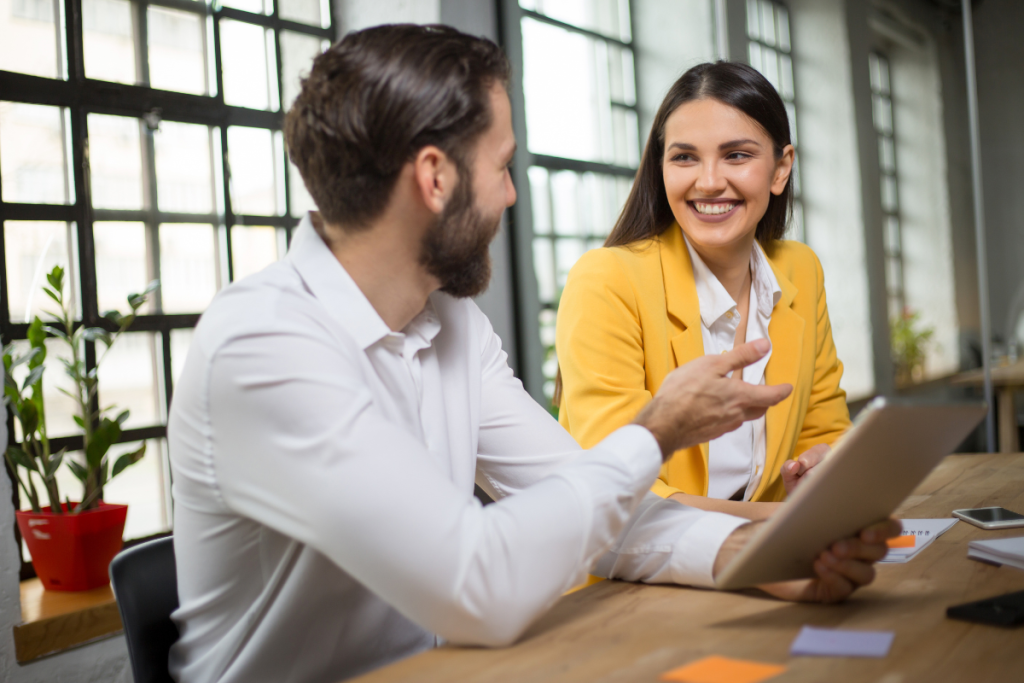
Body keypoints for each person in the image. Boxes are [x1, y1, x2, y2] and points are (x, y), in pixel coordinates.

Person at [167, 27, 897, 683]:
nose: (513, 195)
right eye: (503, 166)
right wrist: (657, 431)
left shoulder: (452, 323)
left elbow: (592, 503)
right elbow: (477, 581)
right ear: (435, 177)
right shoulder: (262, 345)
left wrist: (759, 560)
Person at [557, 62, 850, 521]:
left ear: (781, 168)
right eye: (685, 157)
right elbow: (617, 488)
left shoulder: (801, 270)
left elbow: (825, 425)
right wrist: (782, 522)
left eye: (736, 155)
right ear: (662, 168)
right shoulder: (606, 281)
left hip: (762, 561)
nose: (709, 181)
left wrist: (817, 467)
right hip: (630, 578)